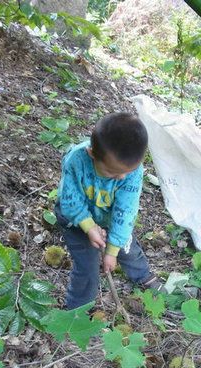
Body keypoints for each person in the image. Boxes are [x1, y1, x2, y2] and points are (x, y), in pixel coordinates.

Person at [54, 112, 164, 309]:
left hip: (109, 217)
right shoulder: (76, 160)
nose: (121, 177)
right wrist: (88, 227)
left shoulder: (131, 173)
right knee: (87, 268)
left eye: (127, 172)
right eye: (112, 173)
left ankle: (142, 275)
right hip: (75, 220)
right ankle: (77, 308)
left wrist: (112, 251)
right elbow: (70, 200)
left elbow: (125, 212)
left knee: (127, 249)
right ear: (92, 154)